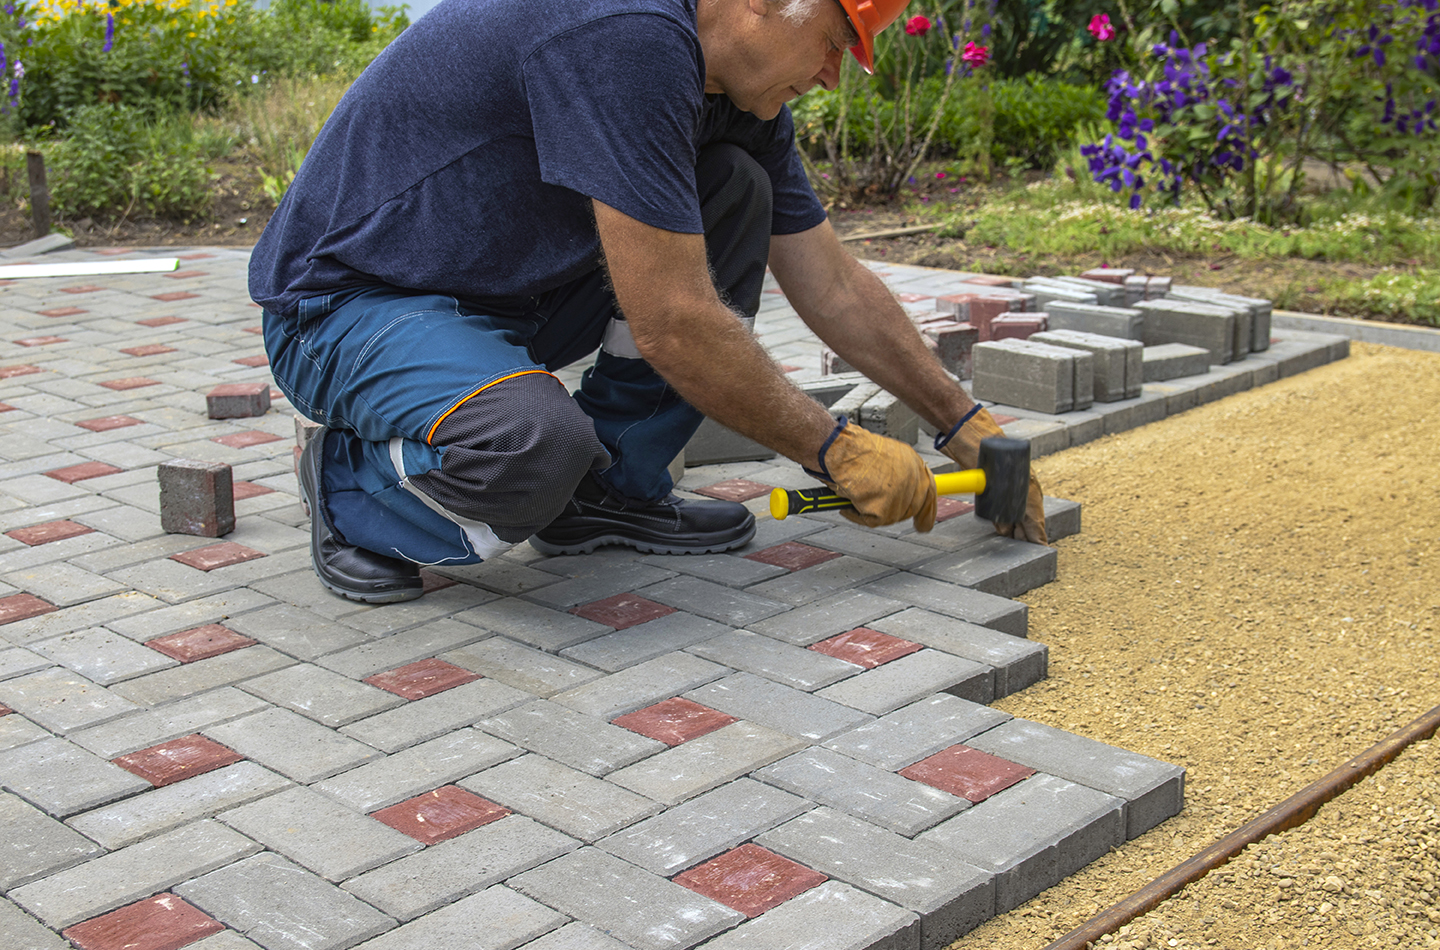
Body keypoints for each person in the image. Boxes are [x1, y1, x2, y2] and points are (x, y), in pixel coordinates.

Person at [250, 0, 1047, 605]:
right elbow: (673, 323)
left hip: (506, 293)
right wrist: (835, 449)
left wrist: (962, 422)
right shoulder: (627, 35)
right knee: (533, 446)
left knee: (734, 188)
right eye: (839, 43)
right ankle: (351, 489)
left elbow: (831, 281)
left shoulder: (733, 92)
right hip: (349, 303)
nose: (836, 76)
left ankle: (608, 494)